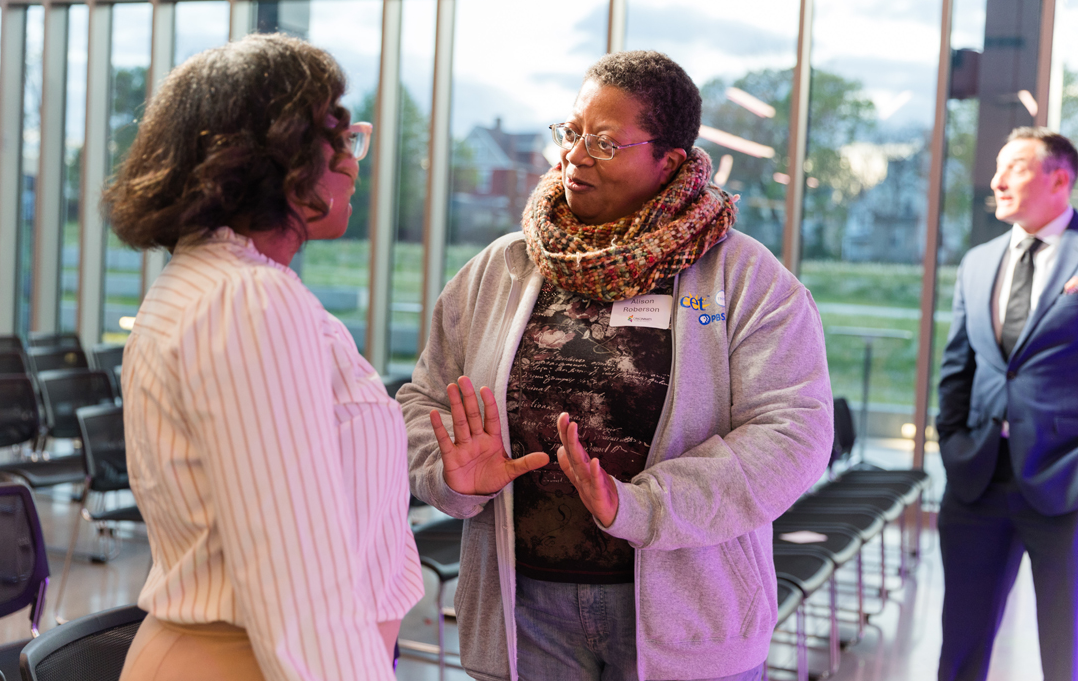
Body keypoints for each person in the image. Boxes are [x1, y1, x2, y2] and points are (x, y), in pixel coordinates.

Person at [399, 50, 833, 681]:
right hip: (522, 613)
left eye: (604, 142)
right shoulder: (501, 267)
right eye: (572, 132)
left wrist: (642, 506)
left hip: (689, 616)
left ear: (669, 162)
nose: (575, 156)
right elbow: (424, 401)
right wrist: (449, 474)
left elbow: (793, 435)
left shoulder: (744, 279)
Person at [104, 34, 425, 681]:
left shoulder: (221, 282)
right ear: (267, 156)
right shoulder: (248, 301)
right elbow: (298, 586)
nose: (351, 161)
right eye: (334, 135)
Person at [936, 127, 1078, 681]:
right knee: (961, 645)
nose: (996, 181)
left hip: (1065, 486)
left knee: (1066, 652)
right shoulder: (978, 262)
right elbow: (958, 367)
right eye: (997, 167)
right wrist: (951, 443)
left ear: (1059, 180)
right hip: (976, 480)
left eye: (1015, 167)